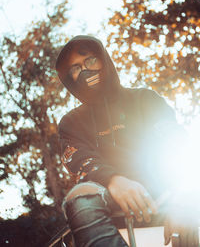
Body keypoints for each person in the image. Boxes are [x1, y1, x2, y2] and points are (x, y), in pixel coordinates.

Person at [55, 35, 199, 247]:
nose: (85, 71)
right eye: (76, 69)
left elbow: (178, 146)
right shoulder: (71, 122)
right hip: (108, 203)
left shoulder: (144, 99)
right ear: (69, 79)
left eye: (90, 61)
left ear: (104, 59)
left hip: (166, 194)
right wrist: (114, 180)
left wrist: (182, 199)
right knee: (79, 196)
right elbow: (79, 160)